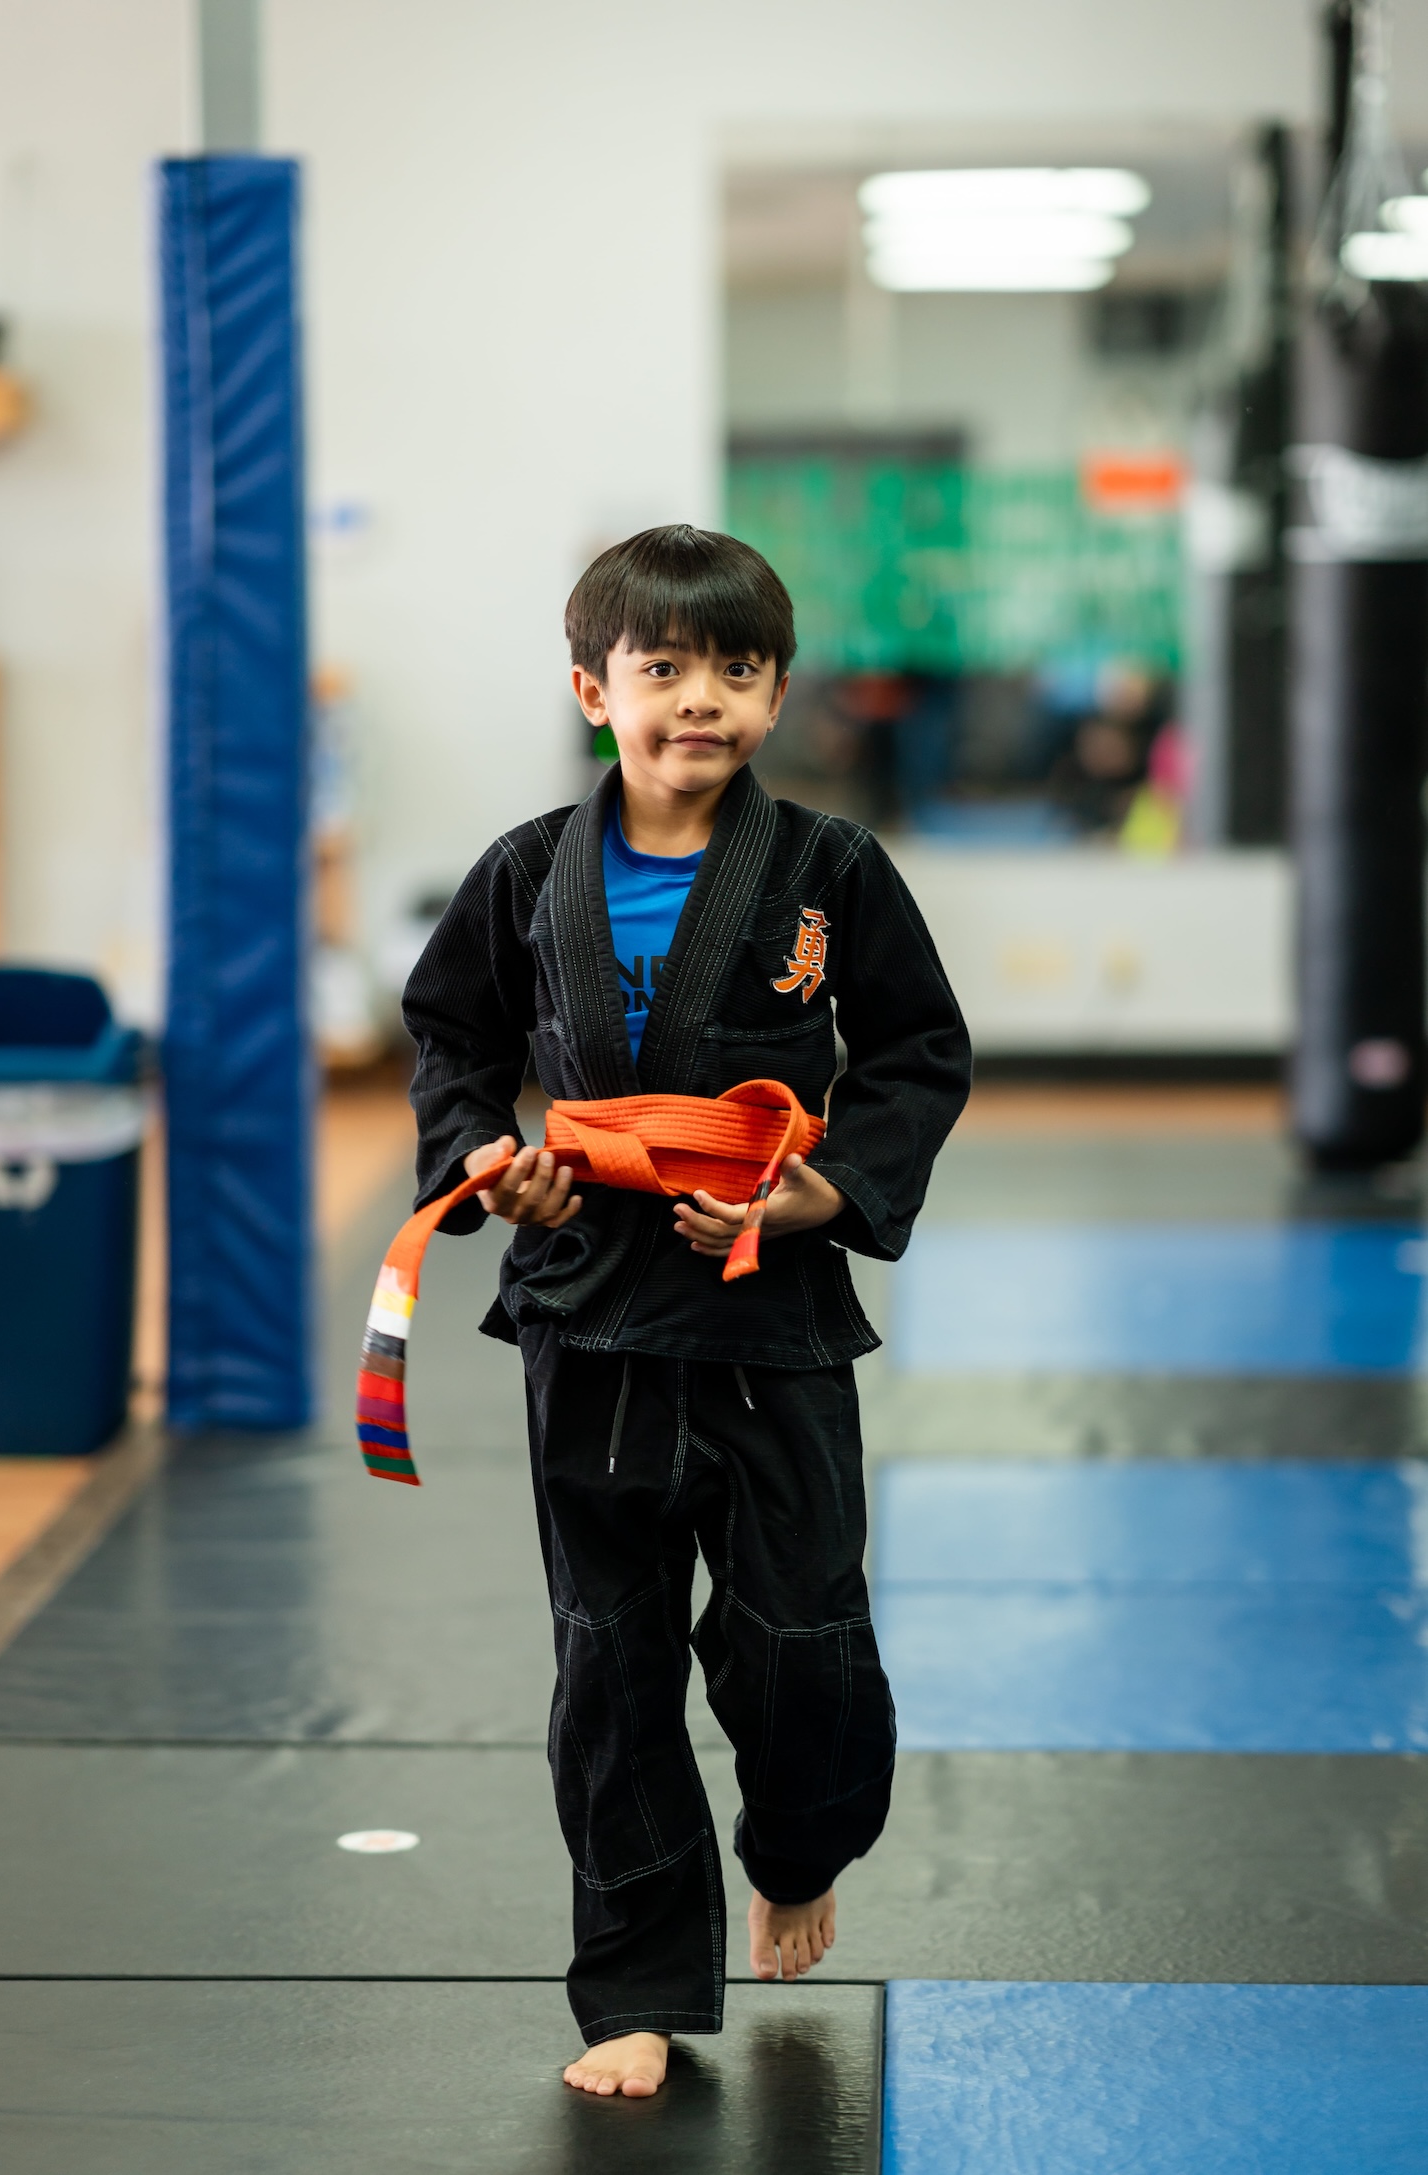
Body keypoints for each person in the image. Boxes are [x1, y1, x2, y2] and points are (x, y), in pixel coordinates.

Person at [403, 525, 971, 2099]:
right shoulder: (527, 872)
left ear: (776, 694)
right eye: (661, 670)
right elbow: (449, 1042)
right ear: (595, 690)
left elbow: (920, 1053)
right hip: (587, 1313)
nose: (698, 700)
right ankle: (635, 1990)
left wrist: (821, 1191)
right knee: (610, 1658)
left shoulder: (830, 873)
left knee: (799, 1644)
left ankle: (797, 1845)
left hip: (767, 1311)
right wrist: (483, 1165)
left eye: (735, 669)